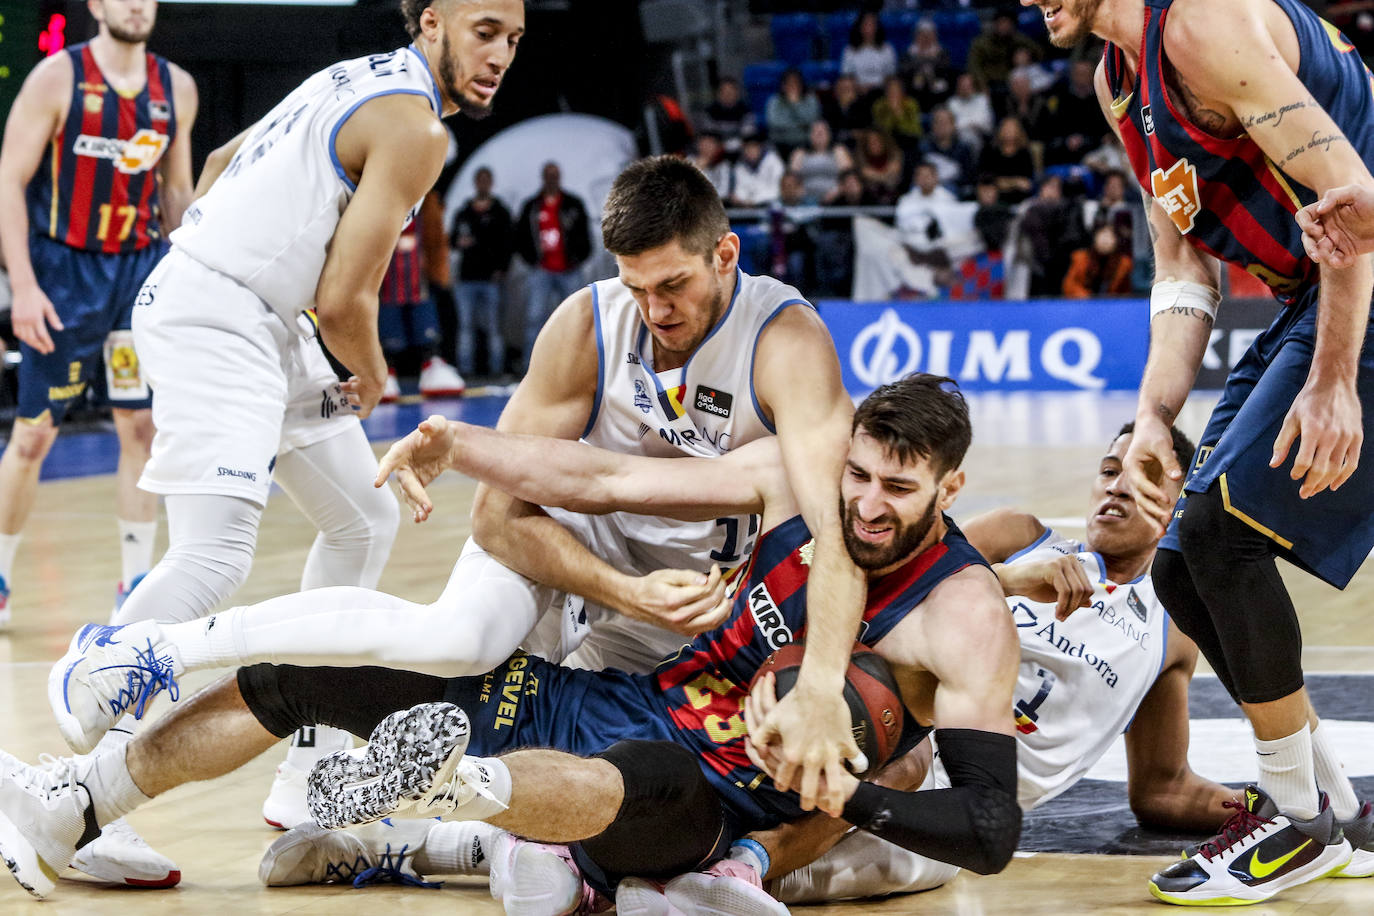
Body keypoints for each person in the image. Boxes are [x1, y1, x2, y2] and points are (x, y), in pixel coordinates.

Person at [0, 374, 1023, 911]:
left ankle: (460, 794)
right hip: (619, 698)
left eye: (898, 487)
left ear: (948, 488)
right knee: (298, 681)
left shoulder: (962, 615)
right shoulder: (797, 480)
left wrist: (855, 797)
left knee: (632, 781)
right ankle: (82, 797)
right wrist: (457, 443)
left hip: (702, 796)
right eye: (858, 477)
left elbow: (988, 830)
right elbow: (605, 480)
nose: (866, 504)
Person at [48, 154, 870, 814]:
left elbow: (835, 542)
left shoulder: (787, 343)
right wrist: (618, 584)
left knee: (551, 794)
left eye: (674, 286)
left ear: (725, 254)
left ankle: (357, 831)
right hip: (576, 551)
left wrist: (825, 685)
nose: (654, 309)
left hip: (687, 614)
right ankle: (153, 649)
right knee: (460, 639)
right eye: (636, 287)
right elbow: (497, 523)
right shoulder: (585, 325)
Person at [257, 420, 1247, 913]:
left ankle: (462, 841)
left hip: (929, 801)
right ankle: (416, 837)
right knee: (818, 741)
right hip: (854, 732)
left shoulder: (1174, 625)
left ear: (1185, 499)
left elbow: (1159, 787)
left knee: (669, 842)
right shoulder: (1028, 532)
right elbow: (901, 570)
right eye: (1113, 465)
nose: (1120, 481)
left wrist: (1253, 802)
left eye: (1149, 475)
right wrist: (1017, 570)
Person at [104, 0, 522, 855]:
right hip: (221, 316)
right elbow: (345, 300)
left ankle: (306, 773)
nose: (501, 55)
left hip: (263, 317)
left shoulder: (354, 76)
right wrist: (372, 376)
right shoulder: (415, 127)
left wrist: (249, 266)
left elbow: (221, 160)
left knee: (360, 516)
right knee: (214, 556)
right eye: (486, 31)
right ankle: (81, 773)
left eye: (515, 39)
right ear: (433, 21)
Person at [1053, 0, 1374, 903]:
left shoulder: (1198, 25)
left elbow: (1354, 205)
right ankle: (1326, 803)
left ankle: (1296, 820)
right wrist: (1154, 414)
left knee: (1224, 536)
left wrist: (1336, 379)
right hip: (1310, 293)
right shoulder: (1120, 83)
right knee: (1181, 563)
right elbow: (1183, 267)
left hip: (1358, 276)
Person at [0, 0, 194, 887]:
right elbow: (9, 180)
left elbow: (178, 199)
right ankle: (1, 569)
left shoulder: (174, 89)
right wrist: (23, 287)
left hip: (134, 279)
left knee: (141, 429)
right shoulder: (56, 77)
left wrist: (187, 280)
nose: (136, 4)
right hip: (64, 273)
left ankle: (132, 582)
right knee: (34, 438)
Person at [377, 195, 466, 401]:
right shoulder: (377, 195)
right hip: (385, 276)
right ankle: (383, 371)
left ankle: (432, 364)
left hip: (421, 275)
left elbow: (436, 238)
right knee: (386, 325)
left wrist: (439, 269)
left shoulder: (428, 202)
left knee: (427, 321)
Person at [514, 161, 591, 372]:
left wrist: (579, 257)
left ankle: (578, 368)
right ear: (543, 177)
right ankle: (530, 368)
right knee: (534, 319)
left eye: (555, 174)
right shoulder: (532, 206)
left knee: (576, 320)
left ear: (560, 177)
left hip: (569, 269)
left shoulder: (573, 203)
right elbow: (520, 236)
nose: (552, 178)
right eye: (548, 174)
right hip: (541, 270)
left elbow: (585, 234)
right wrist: (531, 259)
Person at [451, 165, 513, 379]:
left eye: (487, 180)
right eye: (480, 180)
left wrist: (502, 269)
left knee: (494, 328)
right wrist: (459, 242)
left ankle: (496, 370)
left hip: (491, 278)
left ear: (491, 183)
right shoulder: (464, 212)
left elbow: (508, 244)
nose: (483, 184)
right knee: (465, 327)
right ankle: (465, 371)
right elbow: (451, 241)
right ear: (475, 183)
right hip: (467, 277)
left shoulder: (500, 212)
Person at [787, 120, 851, 204]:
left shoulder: (839, 151)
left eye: (822, 132)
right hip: (805, 198)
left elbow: (848, 177)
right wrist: (800, 192)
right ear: (810, 135)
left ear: (829, 135)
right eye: (815, 132)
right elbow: (791, 178)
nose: (819, 134)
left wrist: (837, 192)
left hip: (836, 197)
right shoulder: (799, 153)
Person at [1062, 224, 1133, 298]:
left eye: (1109, 237)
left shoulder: (1124, 264)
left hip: (1110, 305)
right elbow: (1069, 285)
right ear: (1095, 238)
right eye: (1102, 235)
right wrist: (1087, 297)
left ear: (1116, 241)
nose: (1105, 241)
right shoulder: (1080, 258)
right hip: (1083, 303)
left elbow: (1126, 293)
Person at [763, 69, 820, 161]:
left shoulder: (811, 100)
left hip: (804, 143)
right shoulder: (774, 101)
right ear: (783, 85)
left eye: (796, 83)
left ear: (801, 85)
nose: (792, 86)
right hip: (780, 143)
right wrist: (800, 125)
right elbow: (774, 123)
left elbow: (811, 120)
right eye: (789, 83)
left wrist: (795, 104)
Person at [840, 12, 897, 96]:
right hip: (857, 92)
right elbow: (846, 76)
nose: (869, 28)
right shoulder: (850, 50)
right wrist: (860, 88)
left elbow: (891, 75)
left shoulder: (887, 49)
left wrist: (878, 87)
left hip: (882, 91)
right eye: (866, 24)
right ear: (860, 27)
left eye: (872, 24)